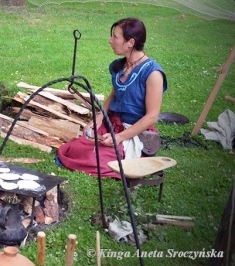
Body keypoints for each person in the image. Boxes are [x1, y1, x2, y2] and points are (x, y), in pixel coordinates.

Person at [57, 17, 167, 178]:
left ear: (130, 42)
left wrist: (119, 138)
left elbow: (151, 117)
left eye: (115, 37)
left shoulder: (153, 74)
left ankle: (122, 155)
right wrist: (100, 118)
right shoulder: (120, 66)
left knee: (96, 159)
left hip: (133, 132)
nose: (110, 40)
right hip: (111, 125)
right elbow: (114, 94)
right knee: (74, 149)